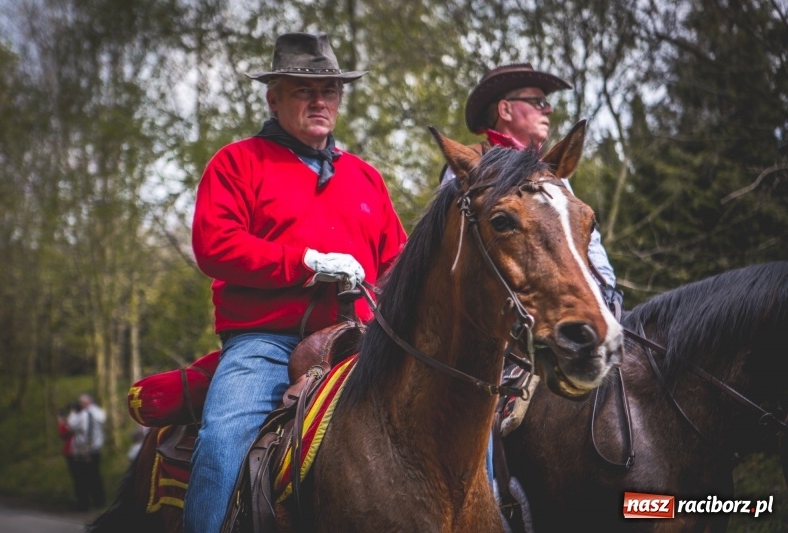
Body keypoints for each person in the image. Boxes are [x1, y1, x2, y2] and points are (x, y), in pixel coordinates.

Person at [184, 31, 407, 532]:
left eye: (330, 90)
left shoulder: (366, 177)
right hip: (267, 344)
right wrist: (305, 262)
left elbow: (397, 264)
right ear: (273, 97)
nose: (320, 101)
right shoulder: (236, 163)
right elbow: (214, 246)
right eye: (304, 90)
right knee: (221, 441)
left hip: (363, 345)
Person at [443, 62, 622, 308]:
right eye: (538, 102)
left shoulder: (553, 175)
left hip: (576, 308)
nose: (548, 110)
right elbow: (450, 258)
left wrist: (606, 292)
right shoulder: (468, 167)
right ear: (505, 109)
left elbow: (588, 242)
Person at [66, 393, 107, 511]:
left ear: (86, 402)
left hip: (84, 450)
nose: (79, 404)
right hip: (96, 448)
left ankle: (84, 504)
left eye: (80, 402)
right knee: (95, 476)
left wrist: (73, 412)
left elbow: (70, 425)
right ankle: (99, 501)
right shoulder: (98, 412)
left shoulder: (84, 414)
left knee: (82, 478)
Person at [57, 404, 79, 504]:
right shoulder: (72, 420)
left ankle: (81, 500)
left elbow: (64, 434)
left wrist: (62, 423)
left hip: (73, 450)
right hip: (74, 450)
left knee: (77, 476)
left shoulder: (71, 420)